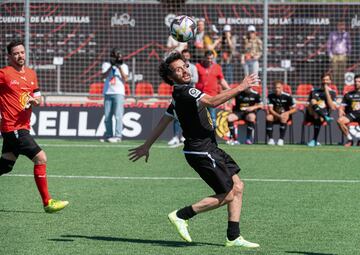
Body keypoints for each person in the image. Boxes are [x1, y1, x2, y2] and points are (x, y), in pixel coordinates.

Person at [128, 52, 260, 248]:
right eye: (177, 69)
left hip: (210, 148)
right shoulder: (187, 93)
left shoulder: (178, 96)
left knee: (238, 187)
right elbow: (214, 102)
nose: (184, 71)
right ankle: (181, 215)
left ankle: (233, 237)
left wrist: (147, 145)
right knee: (228, 194)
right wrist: (241, 87)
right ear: (171, 77)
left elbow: (164, 121)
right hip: (201, 151)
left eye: (184, 66)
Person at [0, 40, 69, 213]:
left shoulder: (31, 74)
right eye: (15, 53)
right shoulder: (4, 74)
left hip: (23, 126)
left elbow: (39, 99)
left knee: (6, 166)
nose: (20, 56)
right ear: (9, 56)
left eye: (22, 52)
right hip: (13, 127)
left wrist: (34, 100)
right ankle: (48, 202)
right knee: (41, 158)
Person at [168, 49, 198, 147]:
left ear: (189, 56)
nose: (186, 56)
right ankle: (175, 137)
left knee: (190, 117)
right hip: (180, 93)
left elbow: (196, 79)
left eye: (187, 55)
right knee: (176, 116)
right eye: (184, 55)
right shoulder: (177, 66)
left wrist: (185, 76)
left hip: (190, 94)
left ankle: (186, 136)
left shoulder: (192, 67)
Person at [195, 50, 230, 129]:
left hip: (212, 97)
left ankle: (211, 139)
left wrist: (229, 89)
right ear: (204, 58)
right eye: (208, 58)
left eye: (211, 58)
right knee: (198, 120)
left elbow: (221, 80)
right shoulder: (198, 66)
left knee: (212, 121)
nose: (209, 60)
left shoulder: (217, 67)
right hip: (200, 97)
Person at [101, 47, 129, 143]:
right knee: (107, 116)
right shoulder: (106, 64)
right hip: (108, 92)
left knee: (118, 115)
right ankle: (108, 135)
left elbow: (125, 79)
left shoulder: (124, 66)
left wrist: (119, 67)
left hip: (119, 93)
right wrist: (111, 67)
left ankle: (118, 135)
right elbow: (103, 76)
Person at [305, 73, 337, 147]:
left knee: (317, 116)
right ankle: (325, 117)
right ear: (321, 80)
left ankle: (314, 140)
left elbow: (332, 107)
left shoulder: (332, 92)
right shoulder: (314, 91)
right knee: (313, 102)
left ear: (330, 81)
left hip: (322, 114)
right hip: (311, 113)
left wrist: (326, 91)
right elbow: (308, 105)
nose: (325, 81)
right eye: (323, 80)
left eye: (327, 80)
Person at [266, 81, 297, 146]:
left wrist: (287, 113)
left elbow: (295, 109)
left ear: (282, 88)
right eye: (275, 88)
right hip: (275, 115)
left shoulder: (287, 96)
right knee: (268, 117)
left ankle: (281, 140)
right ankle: (271, 139)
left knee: (284, 117)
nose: (277, 89)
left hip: (284, 115)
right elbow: (270, 109)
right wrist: (278, 115)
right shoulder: (270, 96)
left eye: (279, 88)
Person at [337, 74, 360, 147]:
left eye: (359, 81)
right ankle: (350, 140)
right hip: (352, 115)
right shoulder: (348, 94)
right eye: (355, 81)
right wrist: (340, 111)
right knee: (340, 121)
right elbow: (342, 106)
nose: (356, 83)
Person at [327, 21, 351, 88]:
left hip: (343, 55)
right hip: (335, 56)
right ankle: (334, 88)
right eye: (340, 25)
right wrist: (331, 55)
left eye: (343, 25)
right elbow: (329, 45)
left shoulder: (346, 34)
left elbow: (349, 45)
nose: (341, 27)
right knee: (334, 73)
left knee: (342, 74)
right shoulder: (332, 34)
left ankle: (341, 88)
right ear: (337, 26)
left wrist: (347, 54)